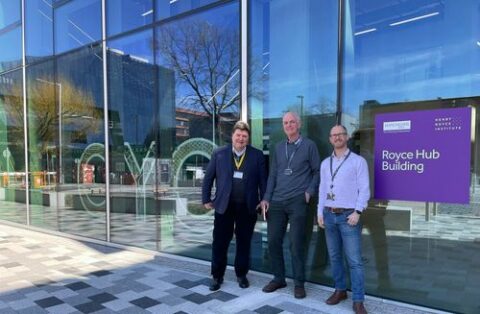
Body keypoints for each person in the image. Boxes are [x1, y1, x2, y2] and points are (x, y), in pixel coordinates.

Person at [260, 111, 320, 299]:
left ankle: (299, 283)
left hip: (297, 201)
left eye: (292, 122)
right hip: (277, 201)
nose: (289, 125)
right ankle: (279, 278)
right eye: (285, 122)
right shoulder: (278, 147)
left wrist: (309, 192)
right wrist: (266, 198)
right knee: (273, 241)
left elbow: (317, 171)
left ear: (299, 124)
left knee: (296, 244)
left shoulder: (309, 145)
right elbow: (273, 175)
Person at [202, 121, 267, 291]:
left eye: (244, 136)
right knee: (220, 242)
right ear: (232, 136)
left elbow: (263, 181)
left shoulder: (257, 155)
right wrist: (206, 198)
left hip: (248, 206)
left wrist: (264, 199)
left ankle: (241, 274)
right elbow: (208, 177)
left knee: (244, 242)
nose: (241, 139)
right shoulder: (219, 153)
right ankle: (217, 276)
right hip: (224, 205)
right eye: (238, 135)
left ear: (248, 138)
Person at [317, 125, 370, 314]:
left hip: (349, 216)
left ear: (346, 137)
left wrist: (358, 212)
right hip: (329, 214)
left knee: (354, 260)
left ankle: (358, 300)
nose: (337, 137)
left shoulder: (358, 161)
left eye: (340, 134)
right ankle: (340, 291)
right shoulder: (325, 163)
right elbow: (323, 189)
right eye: (333, 135)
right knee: (334, 257)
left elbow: (364, 189)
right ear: (330, 139)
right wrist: (319, 212)